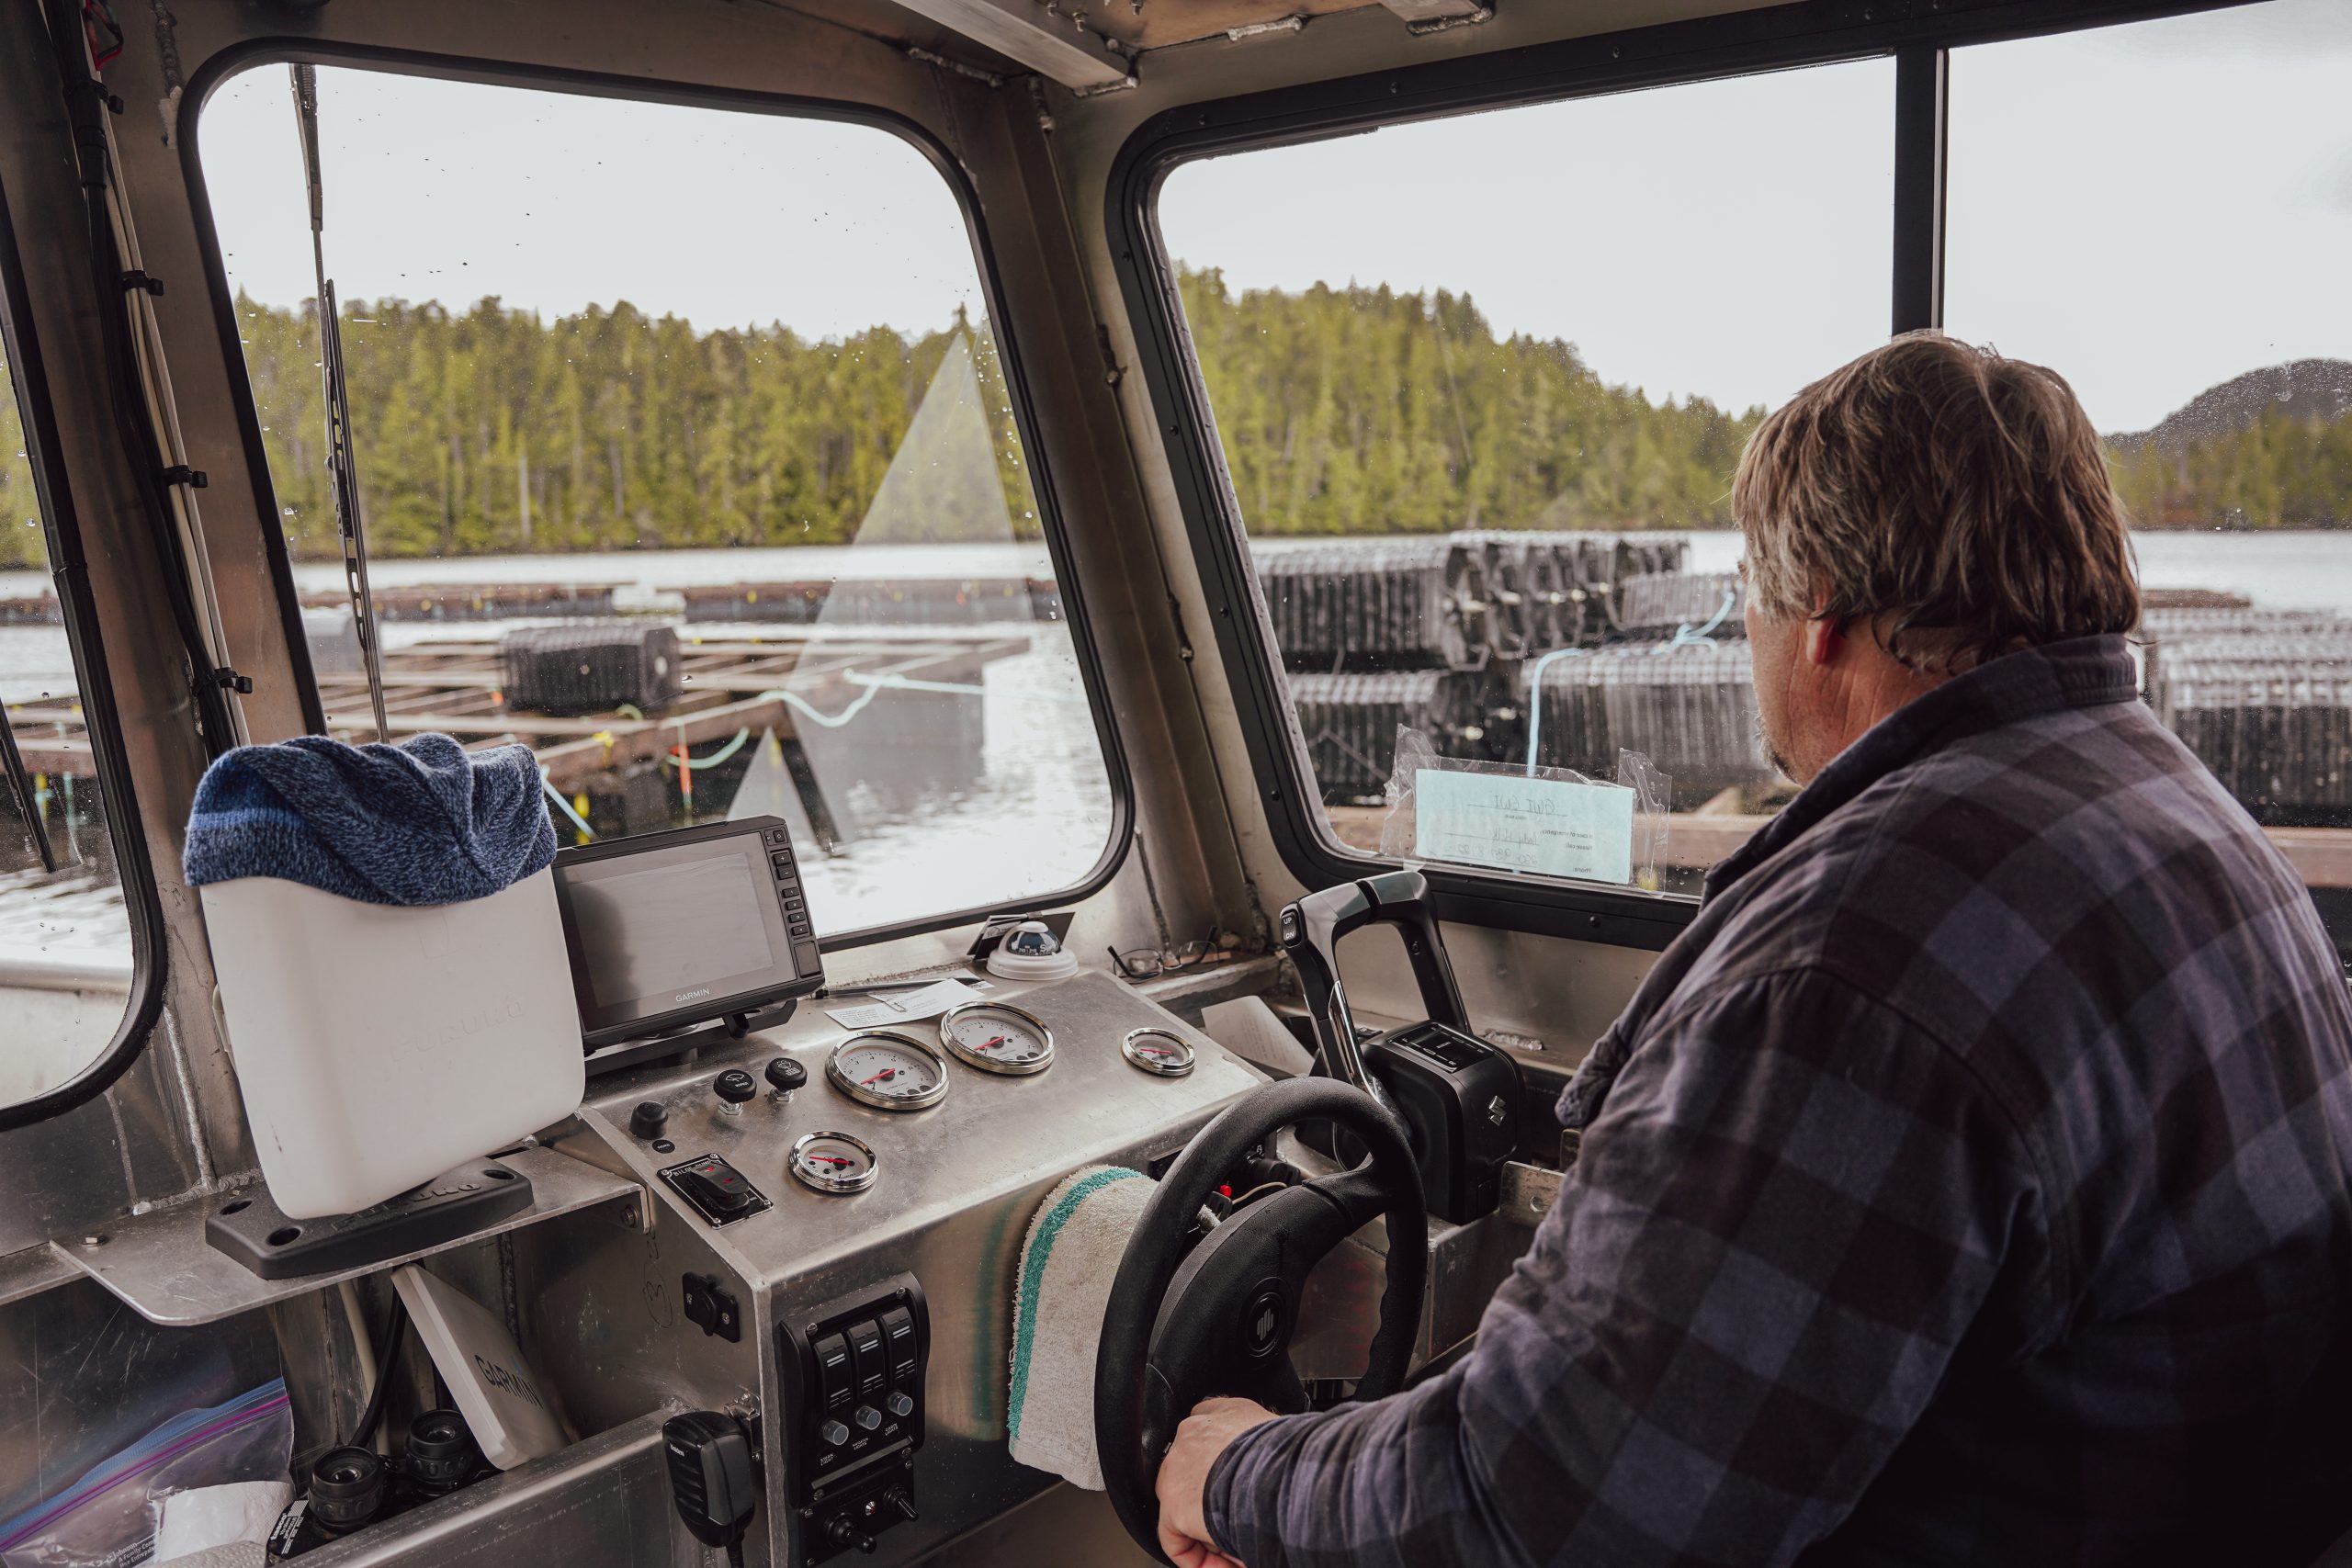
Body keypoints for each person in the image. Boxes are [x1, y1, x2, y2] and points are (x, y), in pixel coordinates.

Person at [1154, 333, 2352, 1568]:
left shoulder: (1847, 968)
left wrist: (1243, 1472)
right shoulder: (2187, 813)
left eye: (1751, 591)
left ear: (1819, 608)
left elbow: (1550, 1514)